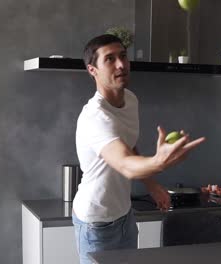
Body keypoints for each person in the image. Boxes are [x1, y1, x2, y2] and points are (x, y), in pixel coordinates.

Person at [72, 34, 205, 264]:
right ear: (93, 70)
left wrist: (152, 184)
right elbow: (125, 164)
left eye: (123, 56)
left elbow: (129, 145)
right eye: (110, 59)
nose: (121, 64)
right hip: (96, 223)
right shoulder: (95, 116)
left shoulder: (131, 100)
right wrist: (158, 162)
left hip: (125, 216)